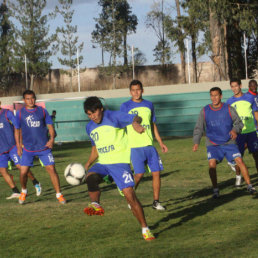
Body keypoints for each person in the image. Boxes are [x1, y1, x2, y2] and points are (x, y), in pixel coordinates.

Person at [83, 96, 155, 241]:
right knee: (90, 177)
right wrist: (87, 164)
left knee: (130, 197)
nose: (93, 117)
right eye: (89, 114)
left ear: (101, 109)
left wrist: (135, 124)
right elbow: (95, 150)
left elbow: (137, 117)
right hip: (103, 163)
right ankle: (96, 204)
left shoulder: (114, 116)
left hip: (119, 164)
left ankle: (145, 228)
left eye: (94, 112)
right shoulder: (89, 127)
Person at [193, 87, 256, 198]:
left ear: (221, 96)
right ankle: (216, 190)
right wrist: (196, 142)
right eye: (212, 95)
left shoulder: (228, 108)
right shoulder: (205, 110)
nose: (214, 98)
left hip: (229, 143)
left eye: (216, 95)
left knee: (240, 160)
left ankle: (250, 186)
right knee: (211, 165)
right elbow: (199, 127)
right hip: (213, 144)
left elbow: (239, 123)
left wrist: (235, 130)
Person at [120, 80, 168, 211]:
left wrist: (160, 142)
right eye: (133, 90)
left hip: (149, 146)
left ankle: (156, 202)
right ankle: (129, 198)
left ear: (142, 90)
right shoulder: (125, 106)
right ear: (130, 92)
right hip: (135, 147)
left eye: (138, 89)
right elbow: (121, 125)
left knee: (156, 173)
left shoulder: (149, 105)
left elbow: (153, 125)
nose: (136, 92)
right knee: (139, 174)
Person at [15, 90, 66, 205]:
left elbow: (50, 127)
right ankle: (24, 191)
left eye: (32, 98)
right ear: (24, 100)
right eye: (28, 99)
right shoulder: (19, 113)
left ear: (35, 98)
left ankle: (59, 194)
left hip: (44, 148)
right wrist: (18, 146)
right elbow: (17, 130)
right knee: (23, 173)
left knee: (52, 170)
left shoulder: (42, 111)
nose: (30, 100)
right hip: (28, 149)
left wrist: (52, 139)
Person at [0, 103, 42, 199]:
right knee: (2, 170)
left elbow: (17, 126)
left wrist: (19, 144)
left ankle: (35, 182)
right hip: (1, 150)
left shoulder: (7, 113)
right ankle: (15, 191)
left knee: (21, 167)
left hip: (12, 146)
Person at [226, 79, 258, 186]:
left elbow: (256, 114)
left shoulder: (250, 98)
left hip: (252, 132)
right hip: (239, 133)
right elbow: (228, 118)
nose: (234, 88)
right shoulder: (229, 102)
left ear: (240, 85)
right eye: (232, 86)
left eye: (236, 86)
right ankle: (238, 177)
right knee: (238, 157)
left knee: (256, 155)